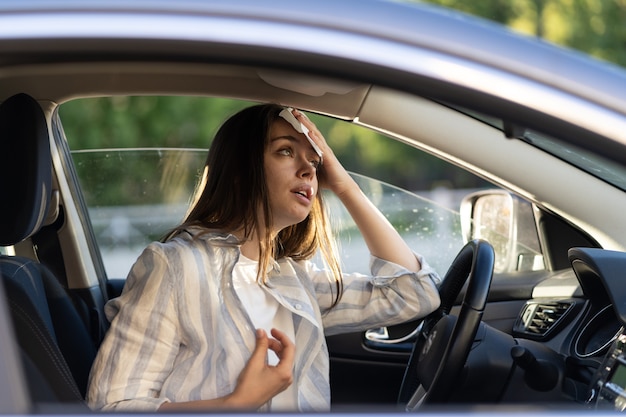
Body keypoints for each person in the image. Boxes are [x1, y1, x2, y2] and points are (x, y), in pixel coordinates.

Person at [86, 104, 441, 412]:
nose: (308, 170)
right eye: (286, 151)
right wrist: (235, 405)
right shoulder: (175, 267)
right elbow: (110, 406)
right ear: (240, 171)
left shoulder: (294, 279)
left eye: (315, 163)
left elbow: (414, 293)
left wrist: (345, 185)